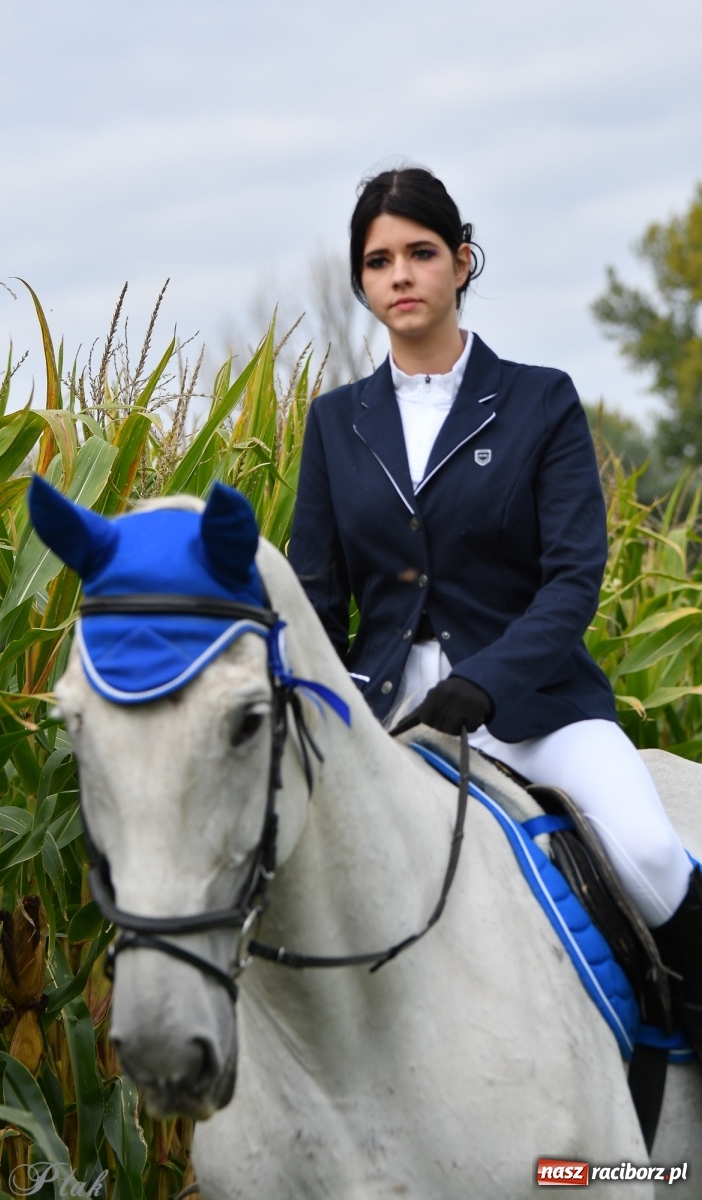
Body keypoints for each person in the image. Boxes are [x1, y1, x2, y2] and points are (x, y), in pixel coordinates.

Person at [288, 165, 702, 1060]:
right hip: (382, 711)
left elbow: (572, 582)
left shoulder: (538, 401)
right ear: (362, 283)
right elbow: (314, 599)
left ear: (463, 261)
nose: (400, 274)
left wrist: (489, 678)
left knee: (655, 856)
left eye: (421, 253)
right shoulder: (335, 424)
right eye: (378, 260)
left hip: (535, 707)